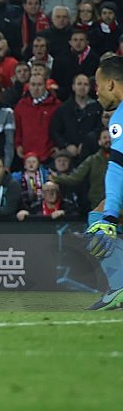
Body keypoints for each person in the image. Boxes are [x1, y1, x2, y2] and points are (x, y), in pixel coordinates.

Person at [83, 55, 123, 310]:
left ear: (110, 84)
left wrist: (109, 217)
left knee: (99, 220)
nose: (95, 91)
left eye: (97, 85)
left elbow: (118, 167)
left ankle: (119, 286)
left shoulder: (119, 118)